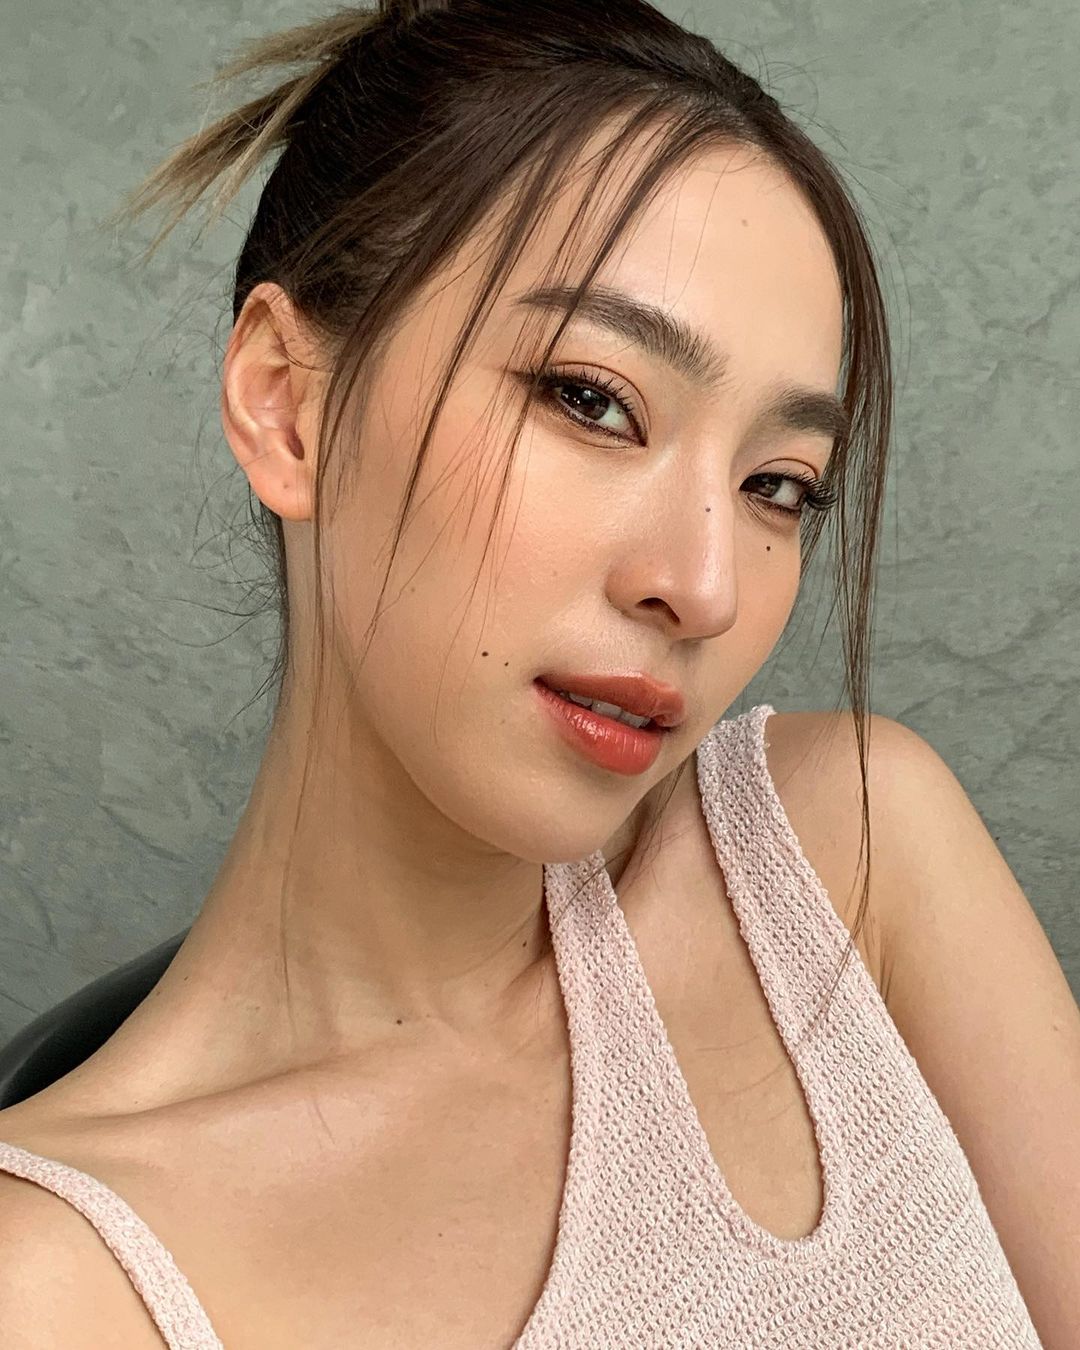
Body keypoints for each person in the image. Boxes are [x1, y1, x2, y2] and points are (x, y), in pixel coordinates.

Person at [0, 1, 1073, 1346]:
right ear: (288, 403)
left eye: (779, 485)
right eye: (591, 399)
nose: (705, 585)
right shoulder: (57, 1283)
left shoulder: (842, 862)